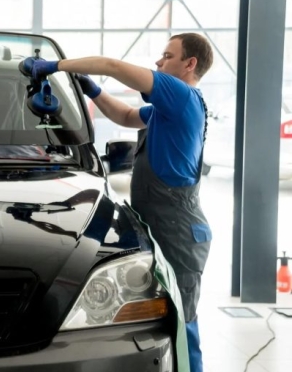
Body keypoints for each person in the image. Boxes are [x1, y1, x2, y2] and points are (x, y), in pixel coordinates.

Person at [28, 33, 213, 372]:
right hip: (170, 223)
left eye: (167, 56)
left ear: (190, 64)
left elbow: (112, 66)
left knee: (182, 322)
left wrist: (55, 66)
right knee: (172, 318)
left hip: (179, 230)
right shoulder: (168, 109)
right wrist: (91, 90)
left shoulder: (181, 95)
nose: (158, 63)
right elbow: (128, 116)